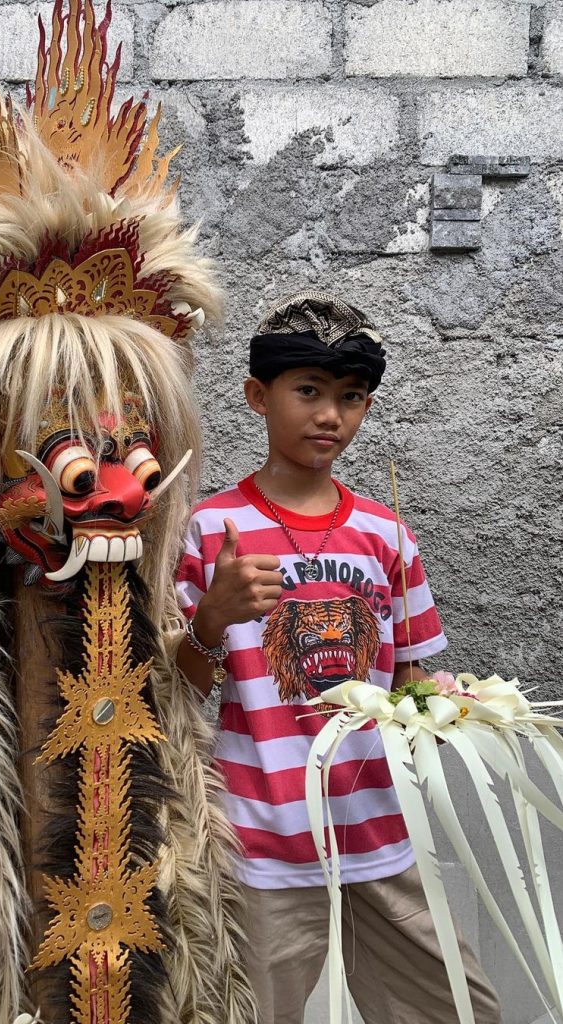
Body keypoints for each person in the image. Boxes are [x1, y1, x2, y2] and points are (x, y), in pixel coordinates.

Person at [175, 291, 501, 1024]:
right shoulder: (210, 528)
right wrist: (213, 616)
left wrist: (449, 709)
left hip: (377, 826)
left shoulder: (386, 535)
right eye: (308, 391)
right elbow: (177, 687)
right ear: (257, 396)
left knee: (460, 1007)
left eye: (350, 397)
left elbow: (411, 678)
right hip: (261, 834)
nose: (330, 415)